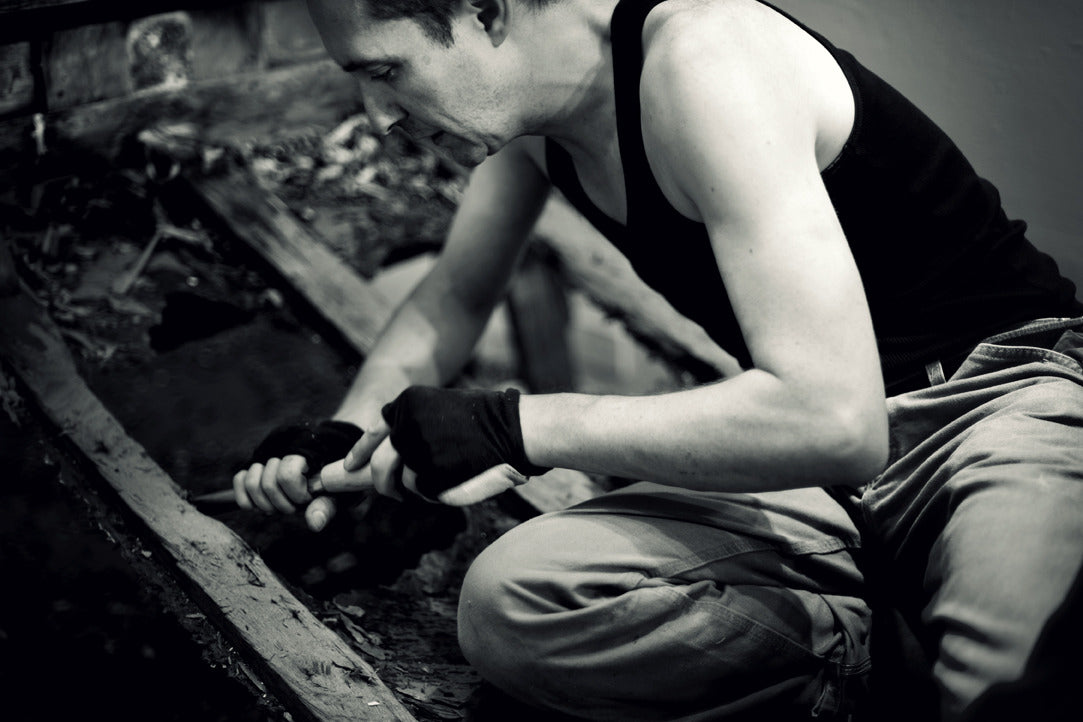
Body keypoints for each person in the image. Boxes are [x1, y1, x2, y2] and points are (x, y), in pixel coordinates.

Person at [232, 1, 1083, 719]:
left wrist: (519, 425)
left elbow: (834, 419)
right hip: (828, 474)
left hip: (997, 403)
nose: (375, 114)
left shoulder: (705, 60)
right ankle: (877, 656)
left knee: (1000, 695)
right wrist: (344, 433)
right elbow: (453, 296)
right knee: (510, 605)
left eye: (383, 73)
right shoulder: (536, 124)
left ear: (483, 8)